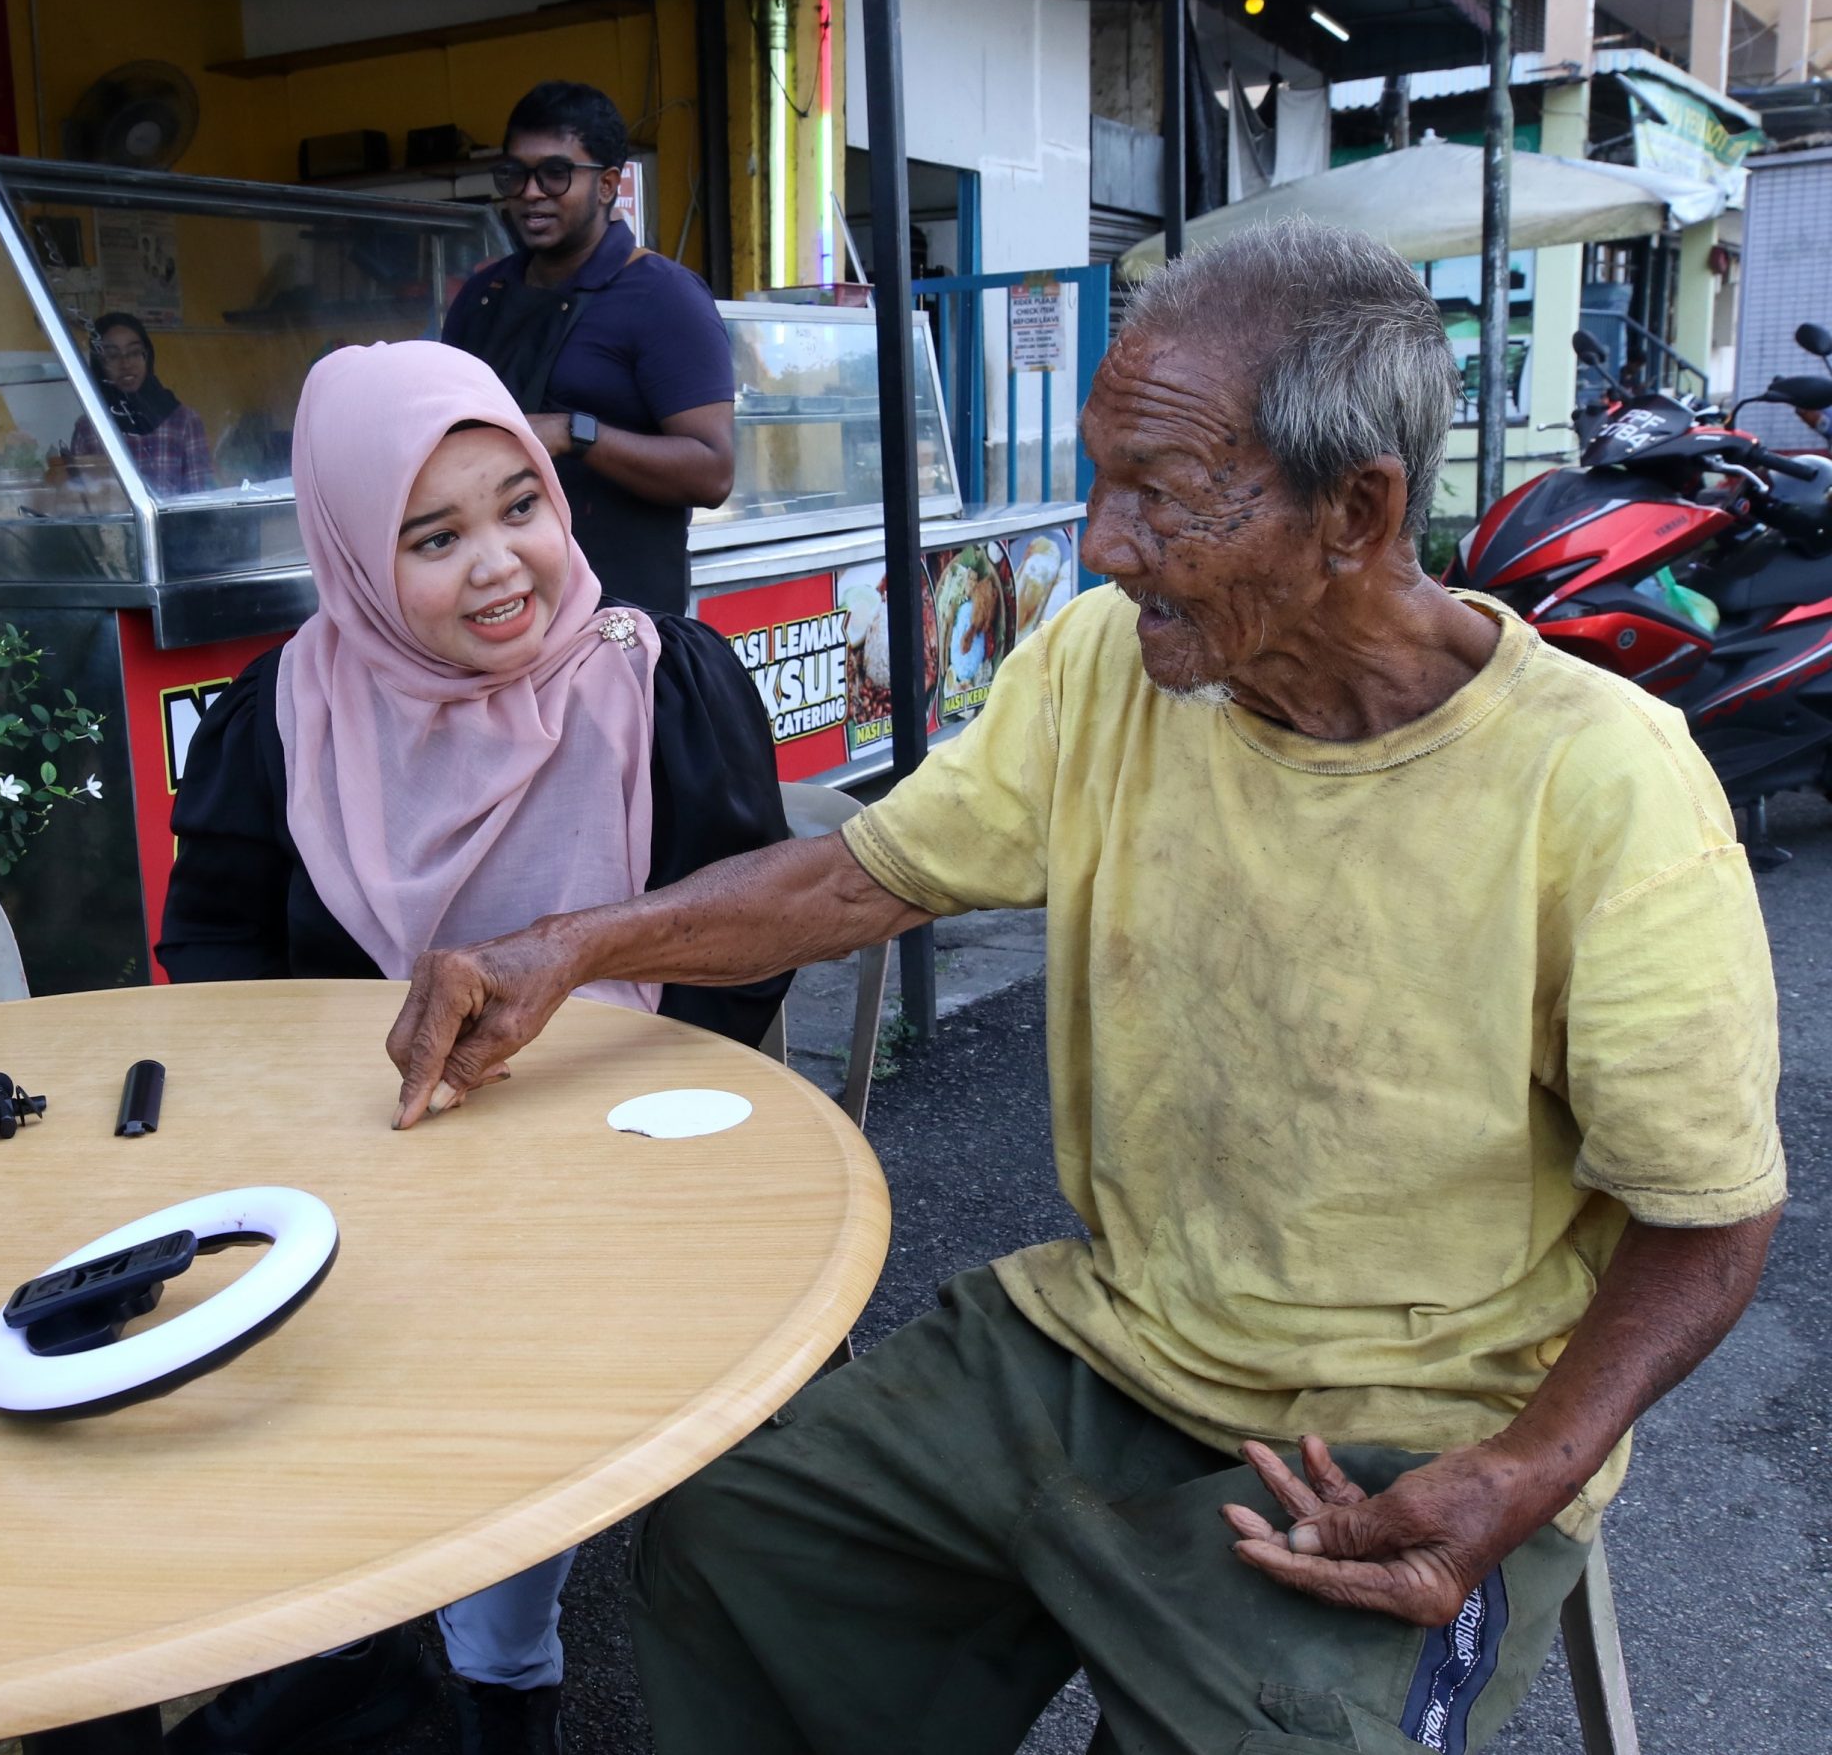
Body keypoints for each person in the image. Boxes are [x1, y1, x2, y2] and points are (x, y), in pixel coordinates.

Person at [383, 224, 1786, 1753]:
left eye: (1164, 498)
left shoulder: (1604, 786)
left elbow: (1707, 1213)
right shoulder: (1110, 664)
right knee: (745, 1540)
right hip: (1112, 1333)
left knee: (1279, 1726)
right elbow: (867, 873)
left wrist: (1523, 1472)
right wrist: (572, 946)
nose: (1105, 543)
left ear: (1358, 511)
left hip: (1420, 1412)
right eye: (1101, 478)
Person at [156, 339, 790, 1755]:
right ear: (355, 553)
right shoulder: (288, 713)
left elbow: (746, 945)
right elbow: (213, 951)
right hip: (368, 1167)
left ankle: (504, 1662)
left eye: (522, 505)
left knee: (521, 1406)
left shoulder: (659, 682)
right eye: (432, 538)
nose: (502, 565)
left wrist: (581, 1097)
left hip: (629, 1168)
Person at [442, 81, 734, 618]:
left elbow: (713, 472)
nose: (531, 191)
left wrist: (572, 433)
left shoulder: (663, 295)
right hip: (498, 602)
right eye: (515, 174)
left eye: (555, 174)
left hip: (621, 615)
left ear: (606, 185)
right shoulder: (484, 296)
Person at [70, 311, 215, 497]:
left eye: (134, 352)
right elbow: (83, 503)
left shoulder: (184, 421)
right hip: (114, 527)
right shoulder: (90, 427)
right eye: (113, 356)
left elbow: (200, 497)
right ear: (99, 365)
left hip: (175, 526)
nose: (126, 364)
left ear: (148, 356)